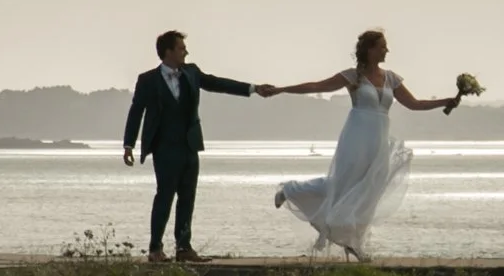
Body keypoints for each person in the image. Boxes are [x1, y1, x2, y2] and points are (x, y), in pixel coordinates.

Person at [266, 29, 461, 259]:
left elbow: (414, 104)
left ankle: (354, 240)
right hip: (356, 134)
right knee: (342, 183)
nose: (386, 50)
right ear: (370, 50)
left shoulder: (392, 78)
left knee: (371, 188)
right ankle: (290, 190)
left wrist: (445, 101)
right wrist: (280, 89)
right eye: (382, 46)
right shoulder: (353, 76)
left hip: (378, 137)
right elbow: (316, 86)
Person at [122, 30, 278, 263]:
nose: (186, 52)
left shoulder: (192, 72)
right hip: (164, 148)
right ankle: (155, 249)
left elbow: (217, 83)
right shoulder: (147, 80)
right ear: (168, 52)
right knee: (164, 197)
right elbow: (136, 112)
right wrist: (128, 145)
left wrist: (253, 88)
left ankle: (184, 248)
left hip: (189, 146)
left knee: (188, 197)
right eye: (182, 48)